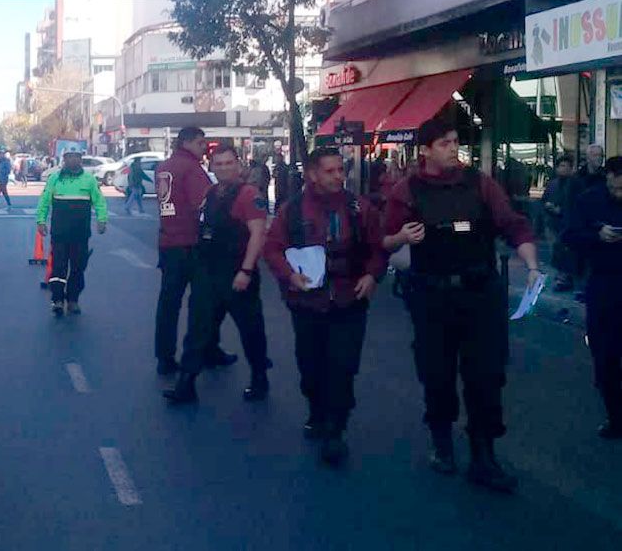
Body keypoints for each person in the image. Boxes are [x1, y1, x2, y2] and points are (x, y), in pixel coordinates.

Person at [383, 118, 539, 493]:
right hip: (432, 298)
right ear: (425, 150)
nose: (453, 148)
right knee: (436, 374)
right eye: (444, 143)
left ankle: (483, 455)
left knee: (485, 376)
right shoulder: (407, 191)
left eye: (455, 141)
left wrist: (532, 266)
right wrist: (401, 237)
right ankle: (442, 444)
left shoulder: (480, 184)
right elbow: (384, 241)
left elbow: (512, 224)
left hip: (480, 295)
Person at [263, 148, 386, 467]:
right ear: (313, 174)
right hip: (307, 303)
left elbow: (378, 247)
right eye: (329, 171)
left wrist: (373, 275)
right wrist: (290, 276)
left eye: (340, 170)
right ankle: (316, 410)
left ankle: (336, 429)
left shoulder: (360, 209)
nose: (338, 176)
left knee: (343, 366)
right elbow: (273, 249)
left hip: (349, 301)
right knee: (311, 365)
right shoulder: (291, 211)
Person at [164, 145, 270, 405]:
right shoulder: (211, 193)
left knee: (250, 330)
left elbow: (258, 233)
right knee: (197, 328)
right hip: (208, 272)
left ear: (238, 164)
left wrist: (246, 270)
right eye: (218, 164)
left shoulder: (249, 195)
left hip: (237, 273)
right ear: (212, 166)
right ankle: (186, 384)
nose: (223, 168)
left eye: (228, 163)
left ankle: (259, 378)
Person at [154, 127, 236, 375]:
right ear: (187, 143)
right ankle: (207, 351)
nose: (204, 148)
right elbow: (206, 203)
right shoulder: (191, 169)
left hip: (168, 242)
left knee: (169, 304)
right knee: (205, 303)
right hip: (192, 244)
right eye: (201, 143)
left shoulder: (164, 167)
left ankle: (164, 357)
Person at [564, 156, 622, 439]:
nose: (620, 194)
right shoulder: (589, 200)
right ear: (607, 177)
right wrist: (597, 234)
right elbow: (570, 235)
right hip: (604, 284)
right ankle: (615, 416)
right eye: (616, 188)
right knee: (604, 355)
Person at [37, 146, 108, 316]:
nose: (73, 160)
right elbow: (44, 201)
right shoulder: (54, 179)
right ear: (64, 159)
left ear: (80, 159)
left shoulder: (89, 180)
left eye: (76, 157)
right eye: (70, 157)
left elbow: (99, 202)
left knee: (78, 268)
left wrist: (102, 219)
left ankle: (73, 300)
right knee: (58, 268)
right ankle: (58, 300)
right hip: (60, 234)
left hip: (80, 234)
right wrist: (41, 221)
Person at [543, 154, 578, 291]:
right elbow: (544, 199)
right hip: (552, 223)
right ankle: (560, 277)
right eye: (560, 166)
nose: (562, 169)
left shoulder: (574, 184)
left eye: (565, 166)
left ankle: (564, 279)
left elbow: (575, 204)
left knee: (564, 252)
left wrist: (560, 210)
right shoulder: (553, 183)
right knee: (556, 252)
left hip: (566, 223)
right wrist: (548, 206)